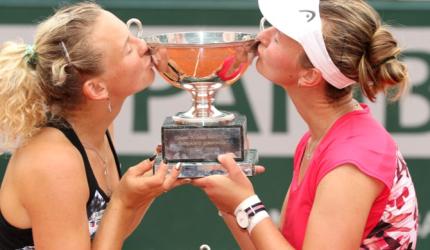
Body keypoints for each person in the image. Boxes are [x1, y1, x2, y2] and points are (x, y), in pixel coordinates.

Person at [193, 0, 419, 249]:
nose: (262, 37)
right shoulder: (318, 139)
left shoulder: (351, 161)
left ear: (310, 75)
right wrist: (232, 204)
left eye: (278, 37)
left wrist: (246, 204)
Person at [0, 2, 188, 249]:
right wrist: (123, 202)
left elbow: (101, 235)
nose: (144, 46)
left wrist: (144, 193)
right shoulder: (54, 162)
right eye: (128, 50)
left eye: (134, 34)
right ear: (97, 89)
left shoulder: (98, 127)